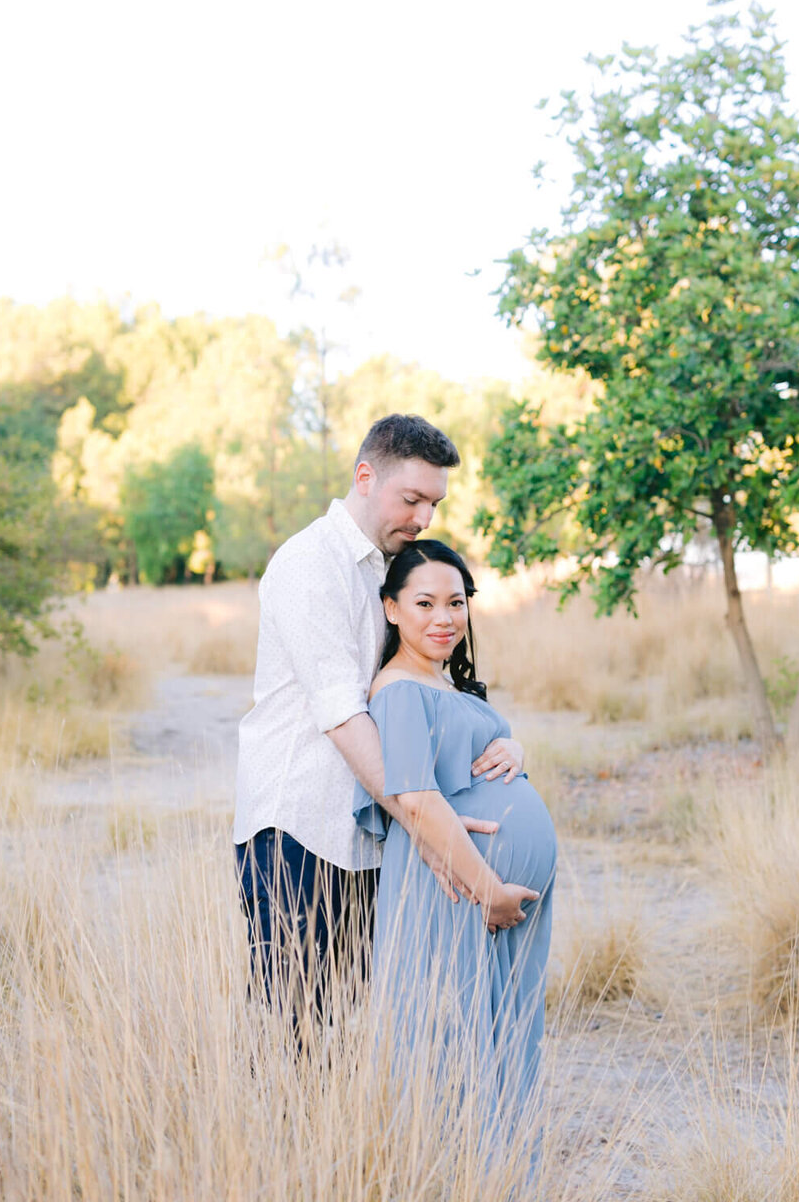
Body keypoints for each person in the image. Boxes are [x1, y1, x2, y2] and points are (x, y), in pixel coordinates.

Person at [232, 414, 537, 1026]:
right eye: (412, 499)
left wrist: (507, 746)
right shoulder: (309, 565)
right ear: (366, 477)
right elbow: (345, 719)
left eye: (434, 503)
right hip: (299, 834)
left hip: (370, 839)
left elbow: (423, 698)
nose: (424, 517)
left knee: (353, 1026)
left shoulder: (390, 568)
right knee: (295, 1028)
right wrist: (436, 834)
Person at [353, 539, 556, 1124]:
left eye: (456, 602)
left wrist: (512, 745)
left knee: (500, 1033)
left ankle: (500, 1185)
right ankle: (457, 1187)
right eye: (424, 604)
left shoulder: (445, 685)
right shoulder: (398, 691)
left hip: (484, 893)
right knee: (452, 1035)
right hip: (454, 891)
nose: (445, 618)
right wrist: (490, 890)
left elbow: (469, 767)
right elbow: (415, 799)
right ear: (391, 608)